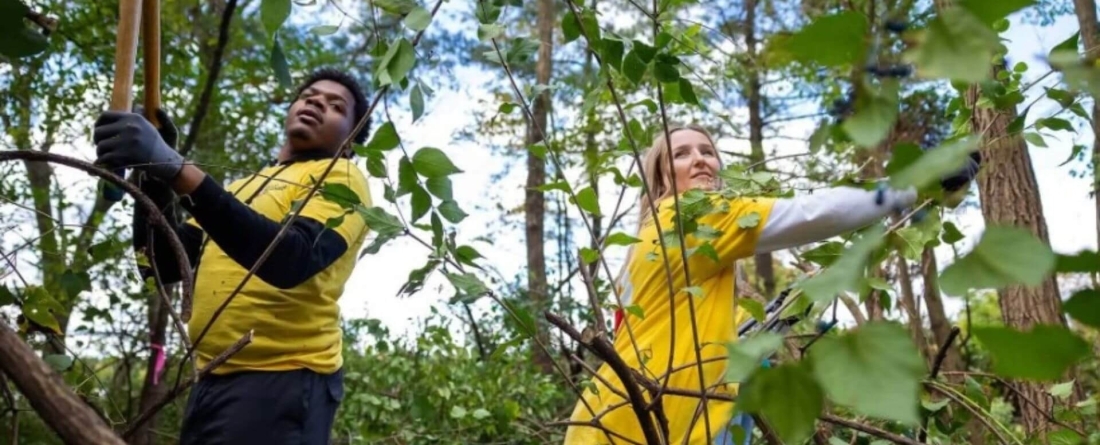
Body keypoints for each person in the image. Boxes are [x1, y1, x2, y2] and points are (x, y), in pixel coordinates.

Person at [562, 124, 979, 444]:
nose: (701, 159)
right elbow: (810, 213)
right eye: (682, 154)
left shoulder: (646, 241)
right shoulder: (693, 216)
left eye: (708, 151)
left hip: (609, 418)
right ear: (662, 179)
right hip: (665, 416)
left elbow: (656, 330)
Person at [92, 67, 374, 444]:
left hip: (284, 378)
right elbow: (162, 264)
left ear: (351, 139)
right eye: (309, 96)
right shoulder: (242, 188)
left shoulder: (342, 178)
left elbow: (290, 259)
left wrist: (176, 167)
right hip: (210, 379)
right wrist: (153, 176)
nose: (318, 102)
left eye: (336, 106)